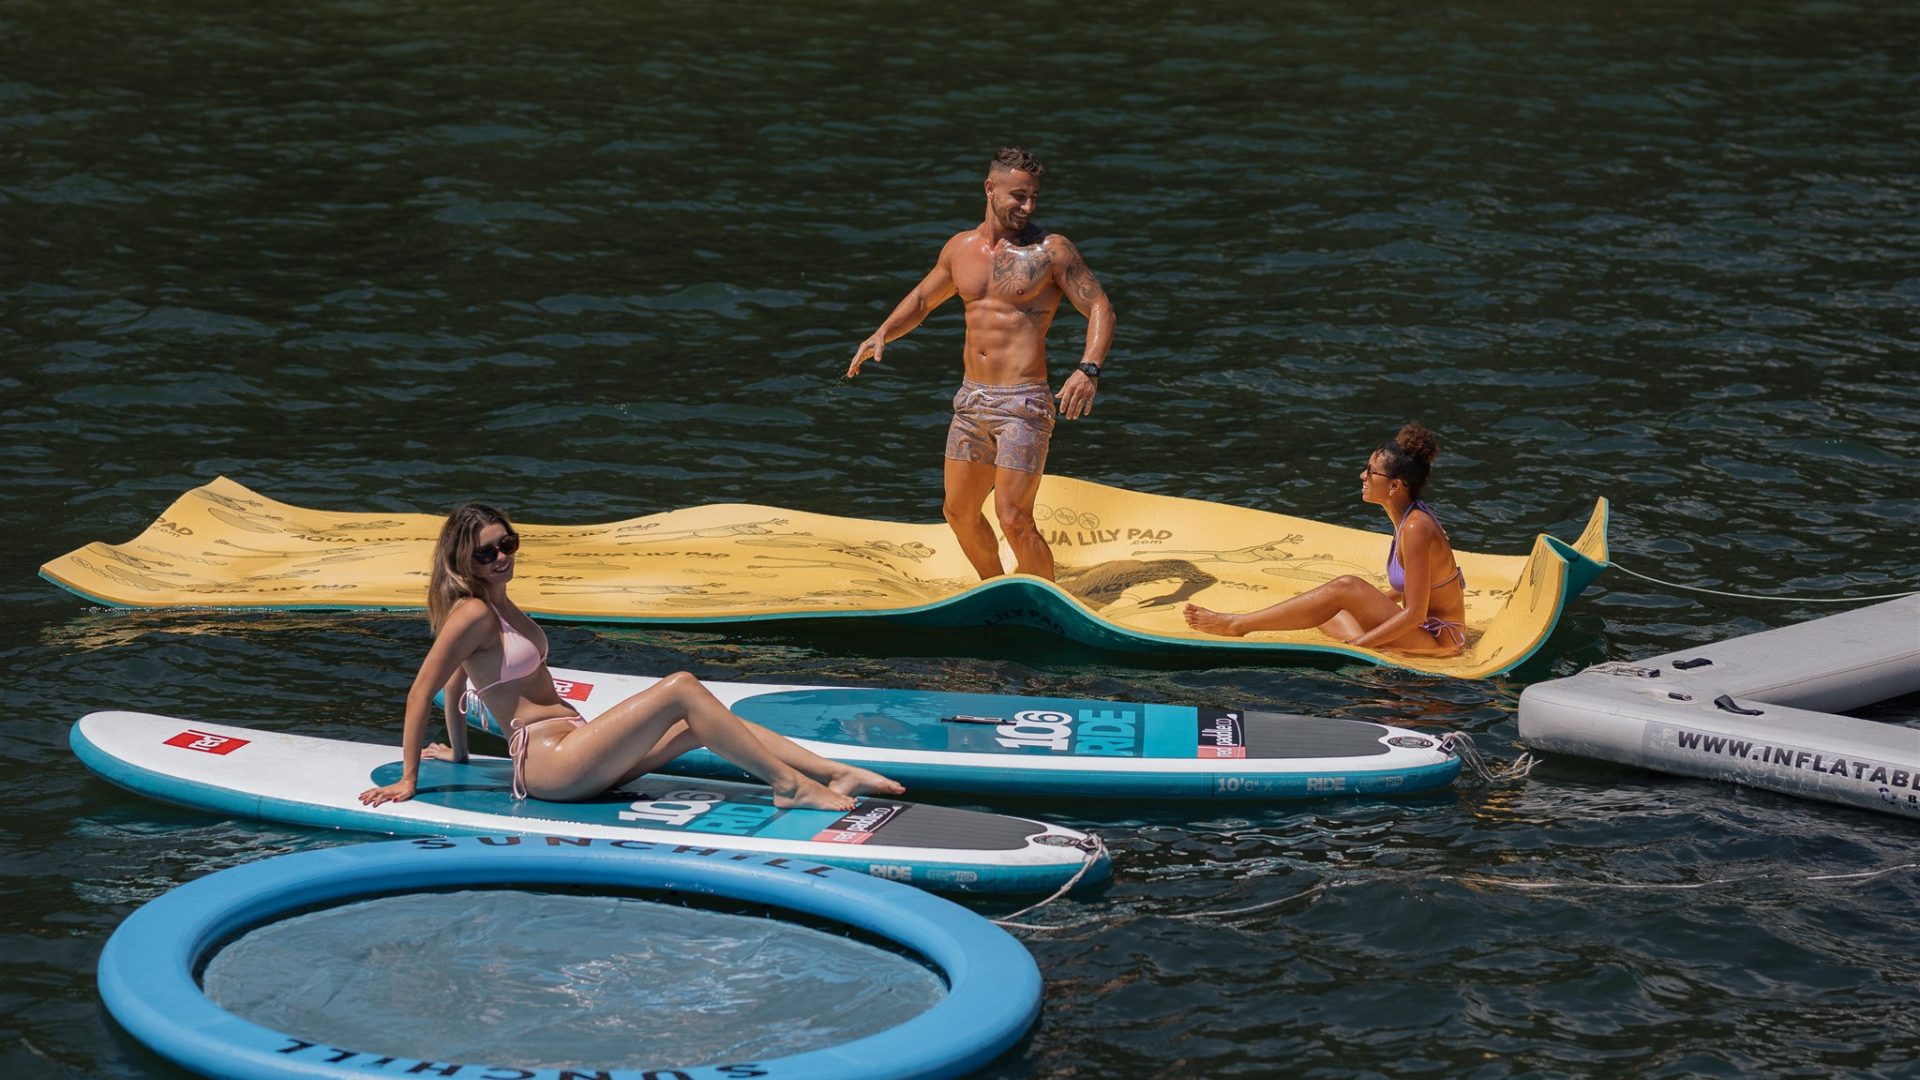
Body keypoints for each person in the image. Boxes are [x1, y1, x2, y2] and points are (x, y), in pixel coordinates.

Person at [358, 504, 904, 808]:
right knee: (682, 686)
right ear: (464, 559)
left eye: (508, 544)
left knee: (700, 724)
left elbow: (458, 685)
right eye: (486, 552)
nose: (501, 557)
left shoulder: (497, 605)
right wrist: (409, 779)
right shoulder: (471, 614)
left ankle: (837, 773)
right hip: (550, 765)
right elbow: (420, 691)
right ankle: (789, 787)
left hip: (576, 747)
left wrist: (457, 754)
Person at [847, 146, 1115, 582]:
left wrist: (1088, 369)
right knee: (958, 511)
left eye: (1033, 198)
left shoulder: (1051, 251)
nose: (1027, 207)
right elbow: (921, 299)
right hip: (972, 400)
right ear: (990, 188)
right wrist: (882, 332)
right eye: (1018, 196)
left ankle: (1047, 600)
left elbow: (1101, 307)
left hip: (1023, 403)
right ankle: (995, 588)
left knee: (1012, 516)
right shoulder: (960, 249)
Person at [1183, 423, 1468, 655]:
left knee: (1347, 587)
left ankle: (1236, 624)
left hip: (1440, 640)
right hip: (1424, 631)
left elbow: (1416, 614)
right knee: (1320, 609)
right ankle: (1372, 640)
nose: (1362, 475)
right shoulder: (1408, 518)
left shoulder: (1416, 527)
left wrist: (1359, 648)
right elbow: (1421, 588)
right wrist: (1368, 608)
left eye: (1371, 471)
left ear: (1395, 485)